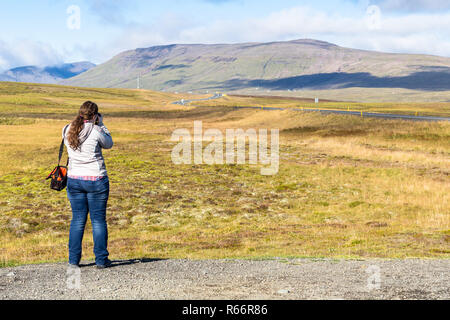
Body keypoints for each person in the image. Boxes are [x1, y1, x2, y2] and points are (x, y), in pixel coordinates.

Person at [63, 101, 113, 269]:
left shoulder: (67, 129)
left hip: (74, 179)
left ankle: (73, 261)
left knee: (77, 220)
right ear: (95, 115)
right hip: (96, 180)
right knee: (98, 220)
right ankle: (101, 260)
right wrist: (102, 124)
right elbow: (109, 144)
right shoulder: (97, 130)